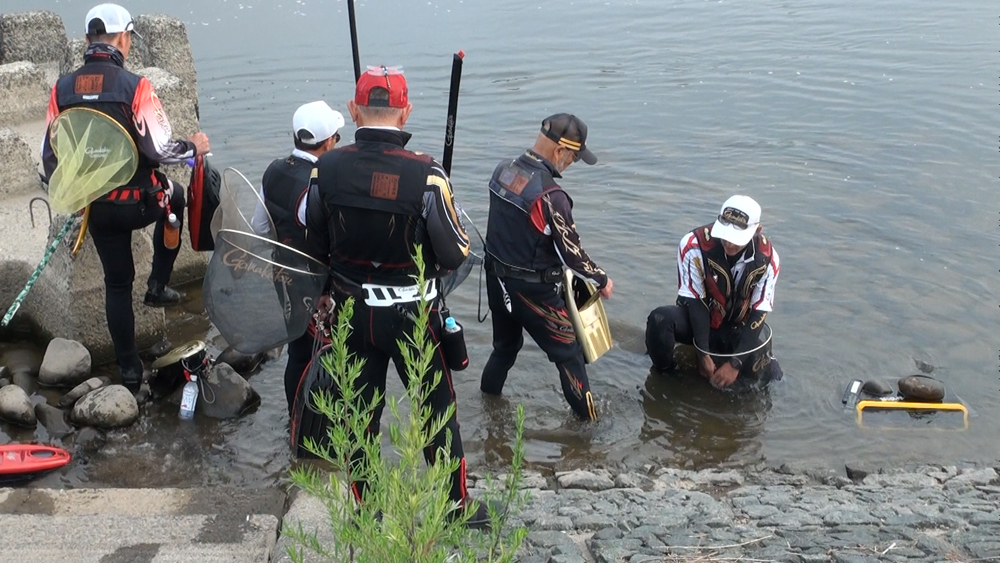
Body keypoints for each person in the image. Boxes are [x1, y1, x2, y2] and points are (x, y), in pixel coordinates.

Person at [302, 65, 489, 527]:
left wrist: (326, 290)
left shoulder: (324, 169)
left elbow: (312, 239)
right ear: (406, 112)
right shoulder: (427, 174)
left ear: (354, 110)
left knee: (358, 414)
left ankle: (368, 512)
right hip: (411, 314)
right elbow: (455, 252)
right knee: (436, 409)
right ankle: (455, 508)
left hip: (349, 311)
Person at [41, 3, 210, 392]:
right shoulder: (136, 86)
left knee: (117, 285)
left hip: (97, 207)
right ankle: (157, 285)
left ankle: (130, 373)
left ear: (88, 40)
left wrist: (77, 194)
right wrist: (193, 147)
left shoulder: (61, 89)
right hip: (139, 202)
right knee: (175, 196)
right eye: (129, 37)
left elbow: (51, 158)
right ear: (122, 38)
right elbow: (157, 150)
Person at [480, 113, 613, 421]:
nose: (571, 163)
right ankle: (590, 428)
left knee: (505, 348)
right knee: (570, 356)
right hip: (534, 291)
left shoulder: (502, 170)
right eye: (574, 157)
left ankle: (488, 411)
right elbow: (572, 255)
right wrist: (602, 279)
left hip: (496, 281)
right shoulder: (551, 196)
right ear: (560, 150)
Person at [250, 100, 344, 413]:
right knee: (328, 352)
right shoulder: (320, 183)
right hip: (317, 288)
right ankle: (324, 421)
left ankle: (295, 417)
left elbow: (259, 226)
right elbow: (330, 245)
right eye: (336, 139)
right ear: (327, 143)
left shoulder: (273, 171)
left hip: (283, 278)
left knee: (298, 351)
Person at [645, 195, 781, 389]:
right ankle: (666, 380)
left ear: (757, 231)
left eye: (736, 239)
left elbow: (759, 313)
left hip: (736, 328)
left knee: (773, 377)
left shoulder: (769, 259)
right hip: (697, 319)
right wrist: (703, 353)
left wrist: (735, 363)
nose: (729, 243)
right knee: (660, 319)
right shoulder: (693, 244)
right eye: (725, 235)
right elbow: (696, 301)